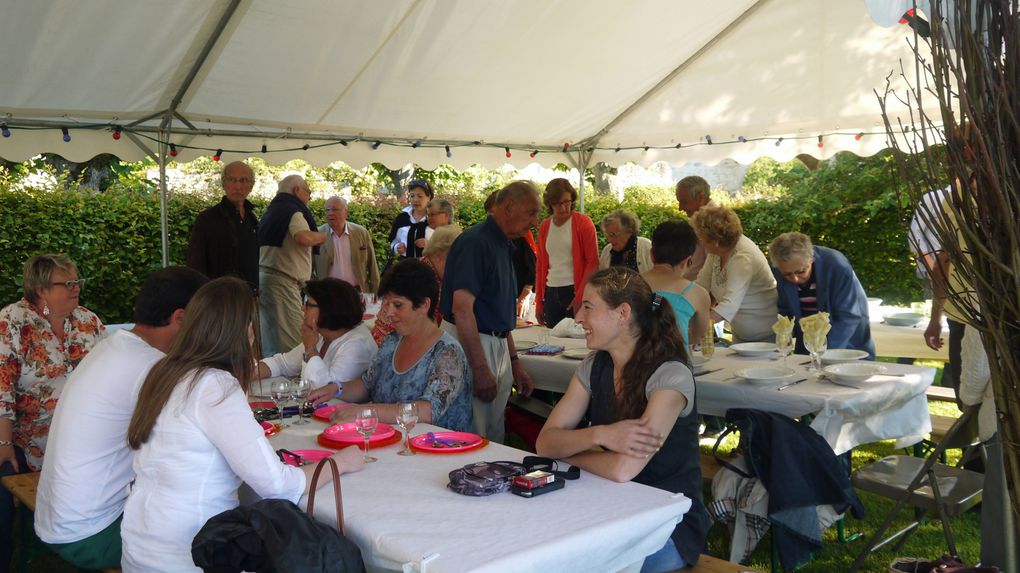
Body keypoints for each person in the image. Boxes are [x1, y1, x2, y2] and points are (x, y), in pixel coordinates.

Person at [121, 277, 364, 571]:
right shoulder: (214, 386)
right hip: (192, 553)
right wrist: (340, 462)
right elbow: (277, 485)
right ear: (244, 330)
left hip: (140, 543)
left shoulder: (163, 371)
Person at [535, 267, 709, 572]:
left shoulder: (670, 376)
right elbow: (545, 443)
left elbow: (621, 469)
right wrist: (599, 436)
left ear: (622, 313)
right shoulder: (595, 365)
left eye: (588, 307)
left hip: (667, 527)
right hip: (606, 510)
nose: (578, 317)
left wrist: (570, 454)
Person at [34, 266, 208, 570]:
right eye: (206, 318)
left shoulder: (113, 346)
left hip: (59, 518)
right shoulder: (151, 366)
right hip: (90, 534)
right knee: (215, 528)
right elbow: (193, 448)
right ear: (180, 318)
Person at [1, 254, 104, 573]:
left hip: (85, 438)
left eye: (77, 282)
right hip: (29, 438)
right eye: (67, 283)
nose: (76, 289)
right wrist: (4, 445)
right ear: (41, 289)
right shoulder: (11, 321)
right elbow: (1, 389)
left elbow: (109, 377)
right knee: (3, 483)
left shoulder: (88, 321)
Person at [309, 260, 473, 432]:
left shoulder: (448, 352)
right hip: (391, 444)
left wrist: (365, 412)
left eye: (398, 305)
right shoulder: (392, 341)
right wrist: (336, 388)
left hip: (438, 451)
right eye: (386, 304)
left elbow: (428, 411)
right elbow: (367, 385)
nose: (388, 313)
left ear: (425, 305)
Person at [440, 181, 538, 442]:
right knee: (473, 435)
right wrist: (480, 367)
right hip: (473, 343)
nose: (535, 221)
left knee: (493, 432)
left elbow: (500, 313)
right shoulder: (476, 242)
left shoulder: (505, 243)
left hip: (494, 342)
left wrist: (514, 363)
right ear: (509, 207)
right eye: (531, 212)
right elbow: (462, 310)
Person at [959, 325, 1018, 570]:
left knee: (1005, 525)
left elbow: (975, 377)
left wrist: (969, 397)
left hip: (1007, 420)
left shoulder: (988, 291)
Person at [768, 232, 875, 358]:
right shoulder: (778, 269)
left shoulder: (836, 266)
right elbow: (786, 312)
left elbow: (848, 315)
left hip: (846, 344)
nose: (795, 279)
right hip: (808, 345)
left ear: (812, 259)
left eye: (801, 271)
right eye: (787, 274)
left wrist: (823, 353)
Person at [257, 278, 376, 390]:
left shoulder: (358, 345)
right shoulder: (322, 334)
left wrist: (310, 349)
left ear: (329, 309)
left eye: (309, 305)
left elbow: (326, 389)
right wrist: (249, 372)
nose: (302, 308)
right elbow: (282, 364)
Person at [257, 174, 326, 356]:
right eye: (308, 191)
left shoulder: (273, 210)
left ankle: (272, 380)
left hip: (268, 279)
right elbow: (303, 237)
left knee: (271, 341)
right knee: (294, 343)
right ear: (297, 190)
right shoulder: (292, 210)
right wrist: (322, 236)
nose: (310, 197)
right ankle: (294, 383)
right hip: (282, 282)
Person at [690, 205, 777, 343]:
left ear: (715, 241)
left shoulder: (743, 256)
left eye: (701, 237)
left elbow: (729, 305)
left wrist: (693, 329)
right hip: (741, 335)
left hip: (767, 338)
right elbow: (701, 287)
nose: (699, 241)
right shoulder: (716, 253)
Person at [371, 224, 462, 345]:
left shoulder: (428, 271)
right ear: (441, 255)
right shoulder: (417, 276)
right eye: (456, 260)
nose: (459, 268)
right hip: (394, 346)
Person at [186, 161, 260, 292]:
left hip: (249, 296)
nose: (238, 186)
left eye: (244, 180)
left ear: (251, 186)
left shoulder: (252, 219)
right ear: (223, 184)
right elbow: (195, 264)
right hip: (218, 298)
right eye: (232, 180)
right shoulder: (207, 219)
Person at [535, 178, 599, 328]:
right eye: (558, 203)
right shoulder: (545, 227)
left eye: (567, 202)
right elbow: (540, 266)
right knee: (551, 342)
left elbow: (593, 263)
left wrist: (580, 297)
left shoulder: (583, 222)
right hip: (551, 291)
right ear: (550, 204)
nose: (563, 208)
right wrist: (539, 301)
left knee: (578, 341)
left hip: (574, 290)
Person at [641, 221, 711, 347]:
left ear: (651, 254)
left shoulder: (630, 284)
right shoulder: (697, 293)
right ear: (686, 261)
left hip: (634, 364)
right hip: (677, 363)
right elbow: (698, 336)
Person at [312, 196, 380, 294]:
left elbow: (372, 266)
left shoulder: (360, 232)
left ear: (346, 213)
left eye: (335, 209)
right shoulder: (317, 234)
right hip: (328, 295)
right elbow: (308, 269)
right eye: (327, 210)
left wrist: (375, 294)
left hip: (357, 293)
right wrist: (315, 292)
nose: (330, 213)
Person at [675, 176, 713, 281]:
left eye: (684, 202)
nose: (680, 208)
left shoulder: (712, 221)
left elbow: (714, 268)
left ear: (701, 198)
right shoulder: (700, 217)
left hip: (699, 290)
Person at [598, 209, 653, 273]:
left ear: (629, 231)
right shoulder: (607, 251)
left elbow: (656, 278)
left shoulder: (645, 246)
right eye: (608, 235)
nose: (609, 240)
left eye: (613, 235)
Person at [389, 179, 433, 258]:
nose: (415, 200)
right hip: (406, 266)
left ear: (429, 197)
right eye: (412, 196)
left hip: (430, 267)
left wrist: (430, 245)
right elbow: (393, 242)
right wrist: (397, 247)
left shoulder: (435, 218)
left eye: (420, 196)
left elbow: (446, 245)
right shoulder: (402, 218)